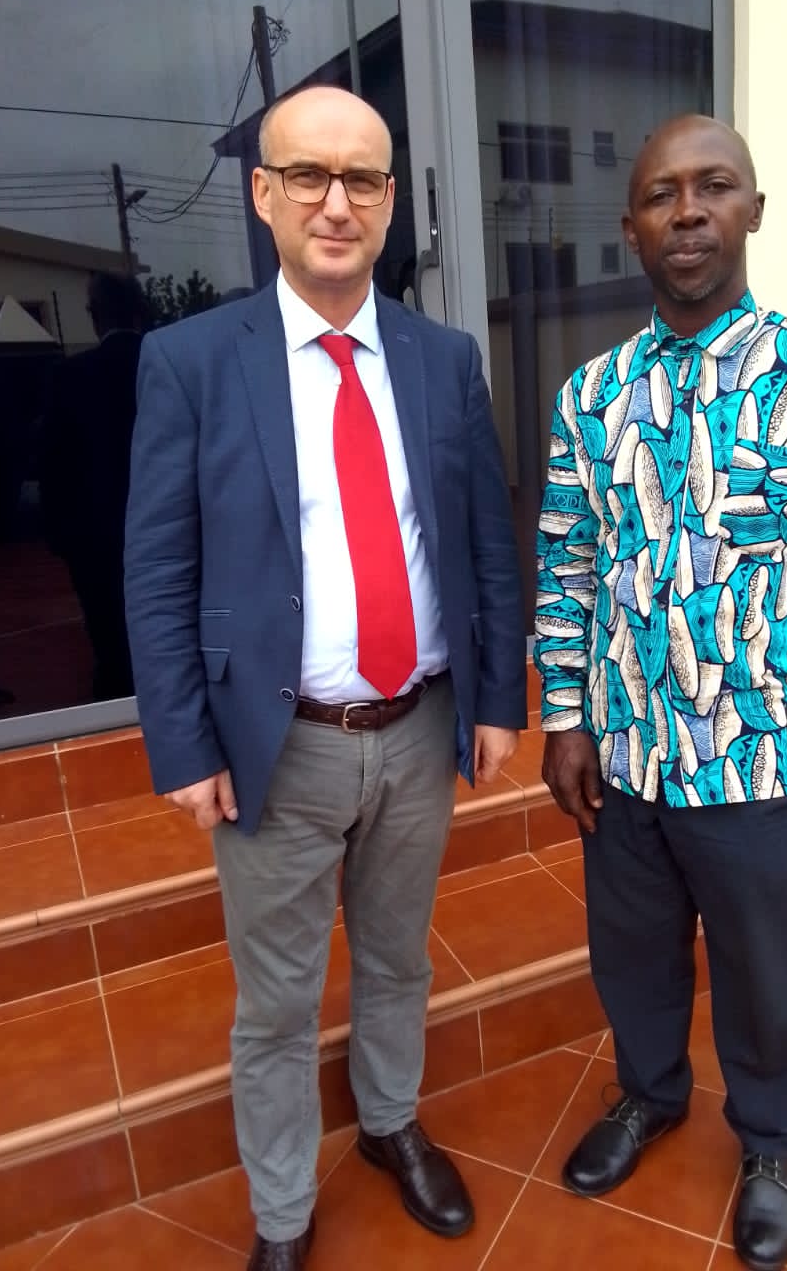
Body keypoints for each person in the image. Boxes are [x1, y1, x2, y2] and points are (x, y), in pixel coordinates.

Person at [124, 85, 526, 1271]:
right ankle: (284, 1214)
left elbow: (482, 542)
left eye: (363, 180)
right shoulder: (192, 361)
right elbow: (156, 570)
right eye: (309, 175)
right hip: (276, 743)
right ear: (264, 194)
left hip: (422, 723)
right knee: (278, 1001)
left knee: (399, 954)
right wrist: (184, 745)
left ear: (393, 201)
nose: (337, 202)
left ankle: (390, 1123)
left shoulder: (444, 358)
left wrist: (499, 697)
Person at [534, 114, 787, 1271]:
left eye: (713, 188)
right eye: (662, 194)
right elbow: (568, 561)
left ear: (753, 209)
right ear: (631, 225)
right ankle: (650, 1093)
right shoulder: (592, 397)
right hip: (627, 749)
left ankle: (773, 1141)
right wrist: (564, 714)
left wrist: (771, 605)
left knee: (758, 962)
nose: (687, 211)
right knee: (632, 951)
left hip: (752, 750)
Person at [40, 271, 148, 700]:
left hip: (96, 540)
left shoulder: (70, 376)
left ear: (94, 317)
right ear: (140, 313)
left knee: (111, 645)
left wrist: (63, 537)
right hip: (174, 533)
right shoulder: (168, 365)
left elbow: (53, 463)